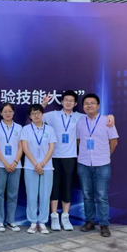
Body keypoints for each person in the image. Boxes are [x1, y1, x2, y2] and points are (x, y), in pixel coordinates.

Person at [42, 90, 115, 231]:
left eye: (71, 100)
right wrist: (44, 104)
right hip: (53, 157)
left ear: (75, 104)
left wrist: (111, 116)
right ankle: (54, 217)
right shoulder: (53, 115)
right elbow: (36, 116)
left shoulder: (80, 117)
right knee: (55, 188)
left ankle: (66, 217)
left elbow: (97, 117)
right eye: (66, 100)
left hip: (71, 158)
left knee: (69, 188)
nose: (68, 102)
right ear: (61, 102)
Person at [76, 93, 119, 237]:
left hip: (102, 164)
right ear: (83, 107)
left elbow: (114, 142)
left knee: (101, 196)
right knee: (87, 195)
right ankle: (89, 222)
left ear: (98, 106)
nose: (89, 106)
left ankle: (104, 224)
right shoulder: (80, 122)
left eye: (92, 103)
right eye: (86, 103)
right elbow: (78, 141)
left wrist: (105, 155)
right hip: (83, 163)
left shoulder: (107, 121)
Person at [21, 104, 57, 234]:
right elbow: (25, 148)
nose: (36, 115)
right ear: (30, 116)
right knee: (31, 195)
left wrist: (42, 164)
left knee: (45, 195)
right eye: (33, 113)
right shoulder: (26, 129)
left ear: (42, 114)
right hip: (30, 166)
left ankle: (42, 222)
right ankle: (32, 222)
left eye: (38, 113)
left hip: (47, 167)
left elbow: (51, 148)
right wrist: (36, 164)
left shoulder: (50, 129)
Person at [0, 103, 23, 232]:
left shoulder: (19, 127)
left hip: (16, 165)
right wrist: (5, 163)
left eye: (10, 111)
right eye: (5, 111)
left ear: (13, 113)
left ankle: (11, 221)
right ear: (1, 113)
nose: (8, 114)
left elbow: (21, 147)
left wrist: (15, 162)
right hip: (0, 165)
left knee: (13, 194)